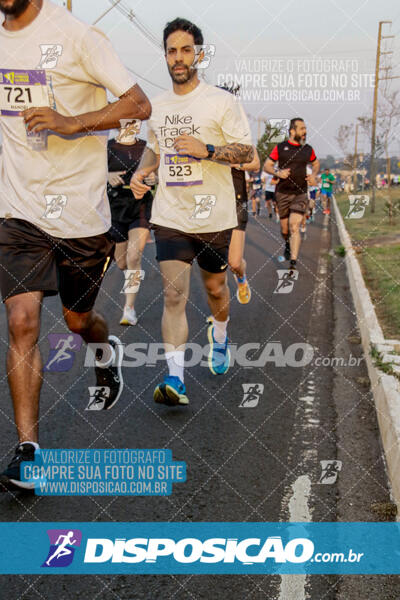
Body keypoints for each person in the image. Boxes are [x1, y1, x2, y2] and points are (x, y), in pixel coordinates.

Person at [0, 0, 151, 489]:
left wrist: (72, 123)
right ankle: (29, 452)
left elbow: (138, 104)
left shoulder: (80, 37)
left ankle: (104, 352)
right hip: (18, 212)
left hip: (81, 216)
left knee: (77, 321)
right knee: (22, 322)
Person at [131, 18, 253, 406]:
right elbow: (155, 147)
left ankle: (220, 331)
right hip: (170, 216)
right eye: (171, 50)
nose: (178, 58)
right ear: (165, 56)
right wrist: (142, 170)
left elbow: (250, 156)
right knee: (173, 296)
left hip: (214, 217)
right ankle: (175, 379)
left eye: (186, 50)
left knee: (216, 289)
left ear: (198, 54)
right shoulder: (159, 106)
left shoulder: (222, 102)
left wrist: (210, 151)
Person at [107, 135, 154, 326]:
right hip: (115, 208)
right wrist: (106, 176)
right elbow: (88, 172)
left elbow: (161, 170)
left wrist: (155, 176)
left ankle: (129, 308)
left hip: (140, 207)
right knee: (122, 262)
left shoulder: (146, 147)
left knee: (134, 257)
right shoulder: (107, 147)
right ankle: (131, 276)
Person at [263, 118, 319, 274]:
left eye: (305, 128)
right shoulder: (280, 148)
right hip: (282, 193)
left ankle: (293, 261)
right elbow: (267, 165)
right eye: (302, 128)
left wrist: (314, 175)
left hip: (300, 193)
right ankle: (286, 243)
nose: (305, 131)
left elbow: (316, 163)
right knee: (285, 229)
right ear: (292, 131)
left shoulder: (308, 149)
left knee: (295, 225)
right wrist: (277, 172)